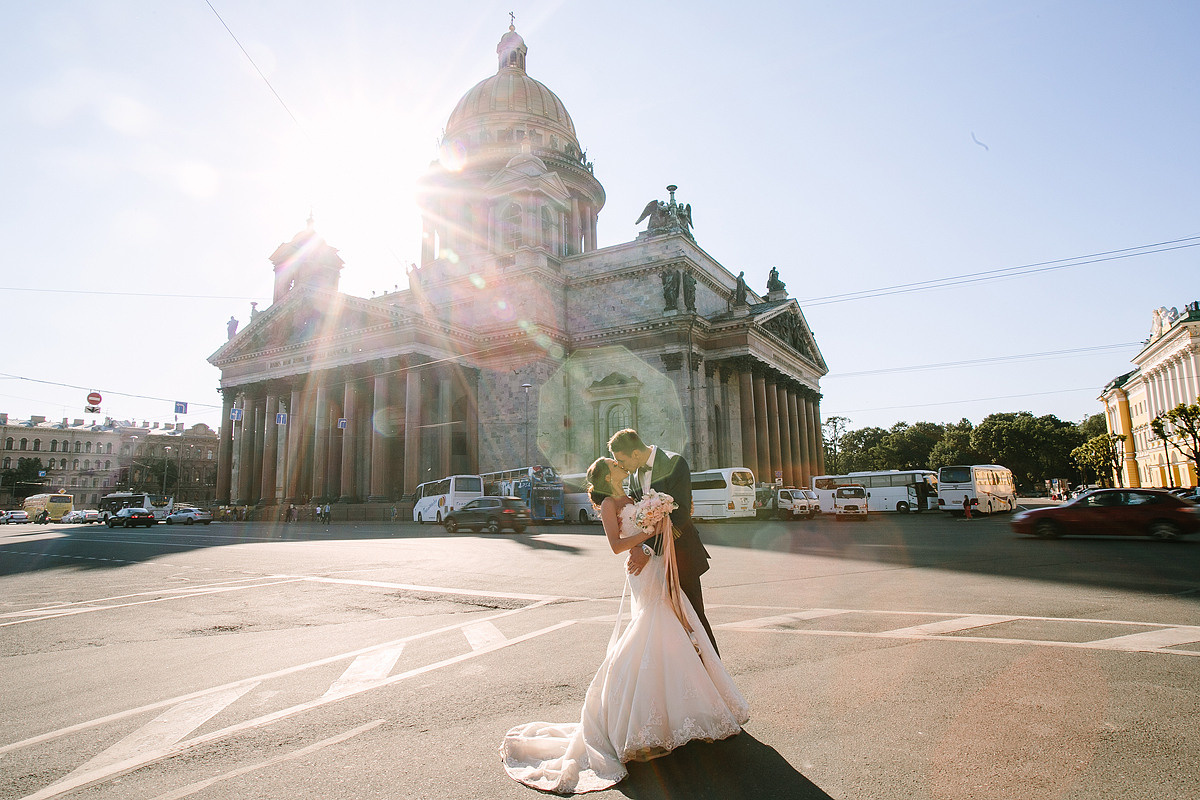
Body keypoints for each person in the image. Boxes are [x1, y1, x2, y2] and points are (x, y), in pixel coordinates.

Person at [501, 457, 749, 794]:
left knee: (667, 630)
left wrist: (654, 534)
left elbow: (658, 528)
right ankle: (640, 717)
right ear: (606, 476)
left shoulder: (634, 495)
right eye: (617, 467)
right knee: (650, 626)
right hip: (640, 570)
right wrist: (646, 537)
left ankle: (677, 713)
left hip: (655, 565)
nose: (623, 469)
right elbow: (616, 545)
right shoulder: (607, 503)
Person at [608, 428, 717, 654]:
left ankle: (713, 674)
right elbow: (639, 517)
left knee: (694, 617)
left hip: (682, 555)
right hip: (653, 568)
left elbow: (681, 515)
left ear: (636, 454)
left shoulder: (674, 463)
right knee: (664, 623)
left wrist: (647, 549)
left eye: (621, 460)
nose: (620, 465)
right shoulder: (636, 475)